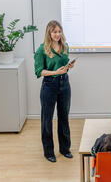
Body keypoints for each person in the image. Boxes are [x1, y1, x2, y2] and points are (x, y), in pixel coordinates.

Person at [34, 20, 75, 163]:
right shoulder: (41, 50)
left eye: (59, 31)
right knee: (47, 120)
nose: (57, 34)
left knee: (64, 118)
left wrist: (68, 67)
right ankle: (48, 152)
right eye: (54, 32)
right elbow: (39, 72)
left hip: (64, 84)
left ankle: (65, 149)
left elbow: (63, 66)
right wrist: (54, 72)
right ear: (49, 33)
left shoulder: (65, 46)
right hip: (49, 86)